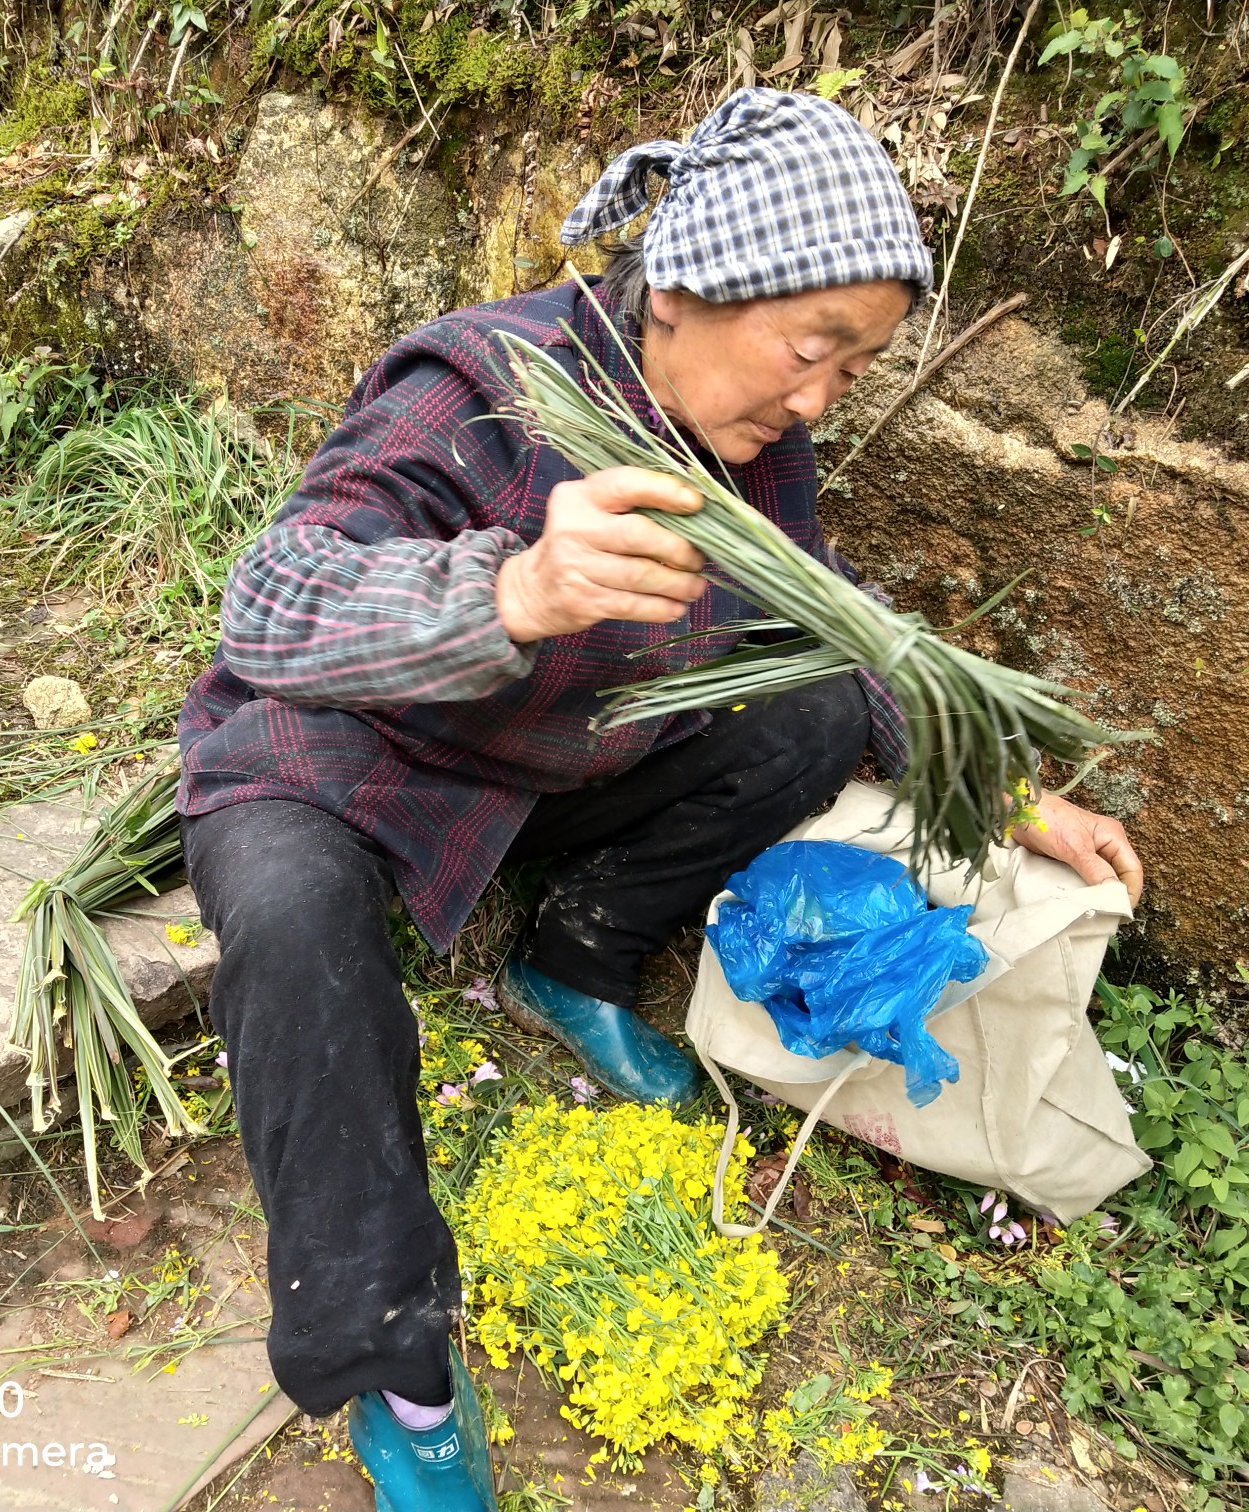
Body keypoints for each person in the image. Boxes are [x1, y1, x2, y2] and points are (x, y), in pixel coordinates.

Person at [175, 87, 1145, 1511]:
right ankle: (393, 1369)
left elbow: (830, 630)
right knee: (293, 922)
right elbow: (272, 600)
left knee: (808, 710)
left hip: (540, 759)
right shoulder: (478, 383)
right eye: (811, 347)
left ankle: (568, 956)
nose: (816, 398)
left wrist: (1001, 792)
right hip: (346, 760)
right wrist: (510, 587)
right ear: (688, 288)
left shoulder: (744, 438)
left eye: (854, 369)